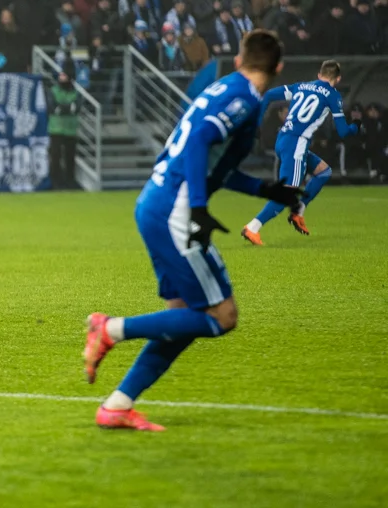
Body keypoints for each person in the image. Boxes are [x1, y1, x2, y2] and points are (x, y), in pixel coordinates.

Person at [82, 30, 303, 431]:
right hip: (176, 212)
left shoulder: (225, 88)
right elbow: (200, 140)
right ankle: (110, 328)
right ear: (278, 68)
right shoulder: (244, 99)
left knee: (181, 319)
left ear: (239, 60)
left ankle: (116, 406)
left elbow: (211, 163)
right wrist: (199, 209)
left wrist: (265, 189)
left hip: (157, 203)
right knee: (222, 316)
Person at [242, 60, 359, 244]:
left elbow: (270, 95)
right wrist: (356, 127)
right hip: (297, 144)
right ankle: (253, 227)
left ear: (319, 75)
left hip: (283, 139)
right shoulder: (333, 95)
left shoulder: (302, 86)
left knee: (323, 172)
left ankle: (298, 212)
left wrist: (257, 123)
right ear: (337, 79)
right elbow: (343, 131)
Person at [48, 66, 79, 189]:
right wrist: (68, 108)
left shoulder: (75, 92)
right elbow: (52, 107)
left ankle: (70, 181)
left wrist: (61, 108)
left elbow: (77, 108)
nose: (61, 78)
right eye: (60, 75)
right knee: (55, 156)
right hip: (56, 128)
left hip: (71, 129)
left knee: (70, 157)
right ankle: (55, 182)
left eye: (64, 75)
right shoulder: (54, 90)